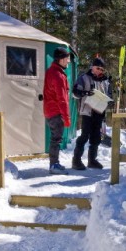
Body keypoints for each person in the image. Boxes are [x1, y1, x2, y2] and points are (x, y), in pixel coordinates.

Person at [71, 57, 111, 170]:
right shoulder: (84, 78)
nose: (100, 71)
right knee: (84, 136)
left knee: (96, 137)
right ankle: (76, 160)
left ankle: (92, 160)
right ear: (92, 67)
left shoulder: (105, 81)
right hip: (87, 112)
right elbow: (75, 93)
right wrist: (85, 93)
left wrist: (109, 100)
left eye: (102, 69)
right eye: (98, 68)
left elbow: (108, 94)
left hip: (99, 112)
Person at [43, 47, 72, 175]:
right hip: (56, 111)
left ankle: (54, 163)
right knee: (56, 139)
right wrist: (66, 117)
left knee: (55, 138)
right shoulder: (58, 76)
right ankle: (53, 165)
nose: (68, 61)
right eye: (66, 59)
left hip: (50, 110)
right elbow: (62, 99)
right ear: (60, 59)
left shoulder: (51, 71)